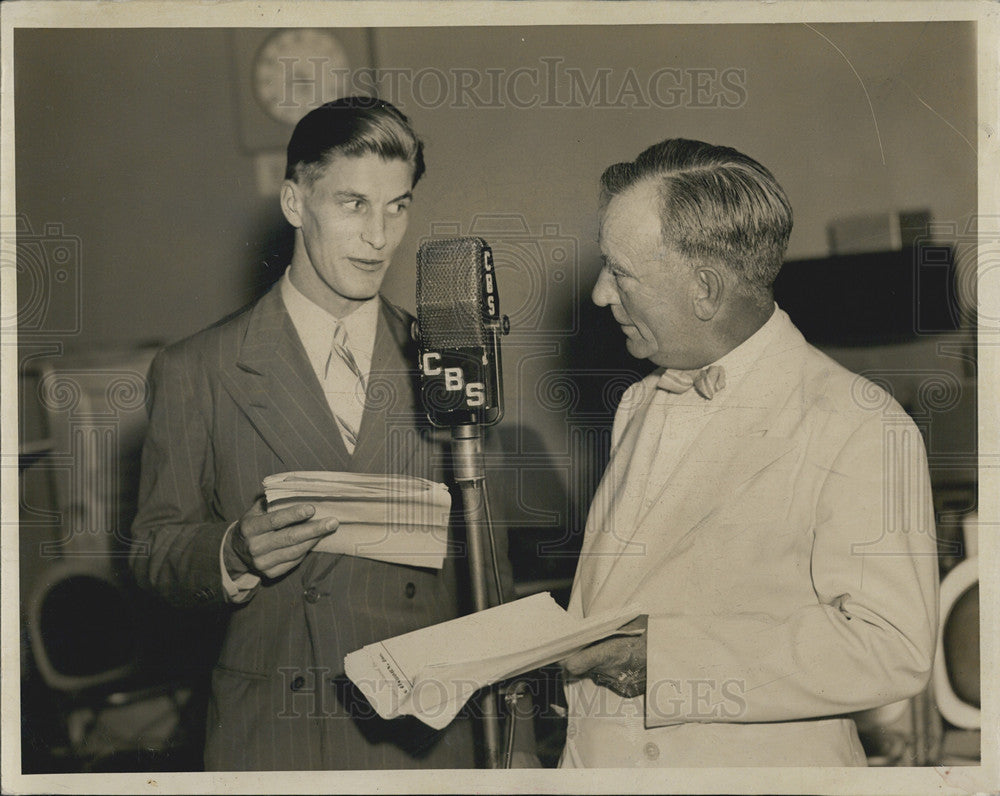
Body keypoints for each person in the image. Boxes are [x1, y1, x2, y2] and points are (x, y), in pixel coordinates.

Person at [130, 97, 497, 770]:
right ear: (296, 202)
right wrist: (232, 553)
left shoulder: (447, 356)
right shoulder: (197, 369)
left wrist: (515, 749)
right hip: (277, 735)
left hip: (426, 738)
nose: (381, 237)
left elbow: (487, 578)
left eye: (398, 205)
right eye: (354, 204)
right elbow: (154, 552)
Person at [558, 138, 939, 767]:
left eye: (620, 272)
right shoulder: (640, 403)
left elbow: (889, 648)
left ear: (705, 290)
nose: (601, 294)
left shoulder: (860, 424)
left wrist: (660, 657)